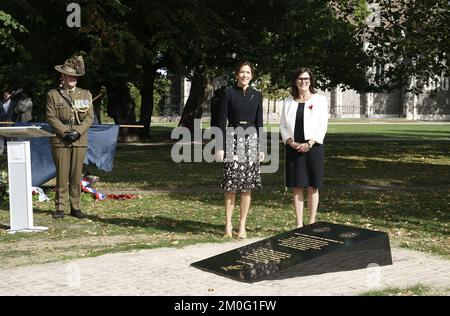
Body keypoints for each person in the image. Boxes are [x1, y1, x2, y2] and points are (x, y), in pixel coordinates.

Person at [216, 61, 263, 239]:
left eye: (248, 72)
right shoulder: (228, 93)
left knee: (247, 187)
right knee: (231, 185)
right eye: (241, 72)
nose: (244, 75)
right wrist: (220, 146)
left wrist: (261, 147)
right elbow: (220, 122)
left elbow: (260, 123)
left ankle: (242, 225)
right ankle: (228, 224)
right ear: (236, 74)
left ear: (252, 75)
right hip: (232, 140)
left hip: (251, 141)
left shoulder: (257, 95)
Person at [46, 55, 94, 219]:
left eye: (75, 76)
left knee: (76, 175)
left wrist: (78, 132)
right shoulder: (53, 95)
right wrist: (66, 132)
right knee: (61, 174)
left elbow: (89, 118)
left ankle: (76, 207)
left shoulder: (85, 94)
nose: (72, 79)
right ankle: (60, 207)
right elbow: (51, 117)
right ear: (63, 76)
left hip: (79, 140)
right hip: (61, 139)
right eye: (69, 76)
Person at [280, 67, 328, 228]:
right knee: (297, 185)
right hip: (293, 148)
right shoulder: (287, 102)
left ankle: (312, 221)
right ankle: (299, 224)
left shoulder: (320, 100)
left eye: (306, 79)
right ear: (295, 81)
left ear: (311, 81)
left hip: (313, 147)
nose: (303, 82)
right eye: (300, 79)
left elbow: (322, 124)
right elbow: (282, 126)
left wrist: (310, 143)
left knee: (313, 186)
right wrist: (291, 142)